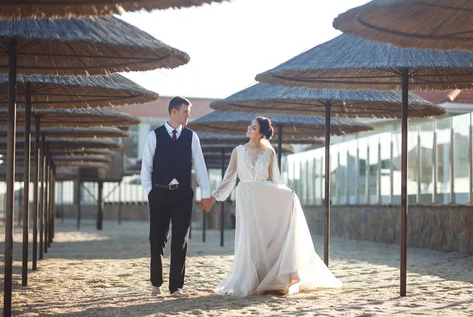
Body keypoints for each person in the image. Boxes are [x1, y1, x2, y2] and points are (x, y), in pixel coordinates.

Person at [204, 117, 342, 297]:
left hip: (265, 197)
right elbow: (229, 178)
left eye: (253, 127)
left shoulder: (269, 152)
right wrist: (213, 197)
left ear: (261, 133)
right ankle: (252, 280)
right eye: (250, 125)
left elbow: (275, 180)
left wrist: (286, 194)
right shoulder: (237, 151)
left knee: (266, 237)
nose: (249, 128)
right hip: (245, 196)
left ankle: (273, 278)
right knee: (250, 238)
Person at [141, 96, 213, 297]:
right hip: (159, 193)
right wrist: (150, 192)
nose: (188, 115)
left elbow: (200, 168)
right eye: (185, 112)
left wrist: (205, 195)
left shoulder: (192, 137)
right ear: (174, 111)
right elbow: (146, 167)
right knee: (157, 239)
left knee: (180, 240)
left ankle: (175, 288)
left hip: (183, 194)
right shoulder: (154, 136)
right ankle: (156, 283)